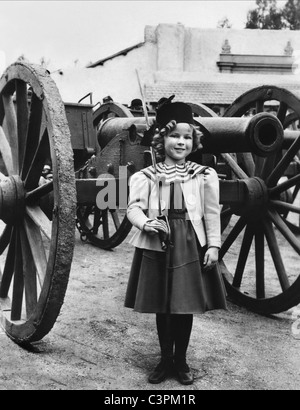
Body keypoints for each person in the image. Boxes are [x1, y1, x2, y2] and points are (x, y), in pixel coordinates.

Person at [124, 100, 227, 386]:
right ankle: (164, 359)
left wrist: (214, 246)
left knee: (183, 304)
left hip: (190, 243)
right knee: (162, 304)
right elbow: (132, 208)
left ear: (193, 142)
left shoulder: (204, 175)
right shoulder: (146, 176)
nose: (180, 142)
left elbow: (211, 212)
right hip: (158, 242)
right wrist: (146, 223)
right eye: (173, 136)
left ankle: (180, 360)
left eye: (186, 137)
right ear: (161, 140)